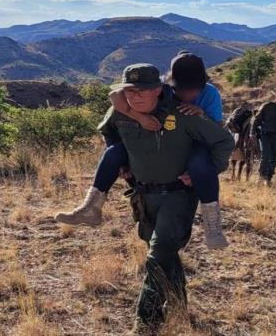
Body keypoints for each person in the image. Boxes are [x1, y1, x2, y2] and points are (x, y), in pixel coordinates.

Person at [96, 63, 234, 332]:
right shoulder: (122, 111)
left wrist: (204, 171)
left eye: (143, 90)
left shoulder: (185, 112)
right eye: (131, 90)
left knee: (157, 255)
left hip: (178, 195)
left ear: (158, 89)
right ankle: (179, 305)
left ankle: (146, 323)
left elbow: (223, 140)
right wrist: (121, 158)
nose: (135, 95)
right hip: (144, 194)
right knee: (163, 253)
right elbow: (109, 131)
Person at [55, 51, 229, 249]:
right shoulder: (160, 89)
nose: (186, 95)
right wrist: (138, 116)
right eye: (181, 89)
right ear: (169, 83)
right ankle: (91, 207)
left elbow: (217, 131)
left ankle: (212, 225)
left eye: (193, 90)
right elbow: (115, 96)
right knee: (114, 153)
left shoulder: (210, 94)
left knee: (200, 163)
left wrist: (201, 114)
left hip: (197, 141)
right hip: (155, 155)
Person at [226, 102, 257, 181]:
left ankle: (234, 174)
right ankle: (241, 177)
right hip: (245, 136)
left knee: (237, 155)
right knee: (246, 156)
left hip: (239, 136)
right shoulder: (251, 115)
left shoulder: (237, 112)